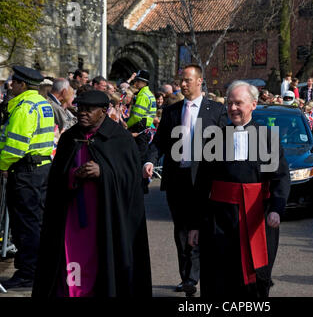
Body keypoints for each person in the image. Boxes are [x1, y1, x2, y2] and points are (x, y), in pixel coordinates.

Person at [32, 90, 152, 297]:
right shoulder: (70, 138)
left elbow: (131, 181)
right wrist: (72, 174)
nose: (82, 113)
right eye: (80, 109)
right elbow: (55, 178)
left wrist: (103, 172)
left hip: (105, 219)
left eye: (89, 109)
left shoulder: (120, 138)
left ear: (103, 111)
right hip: (72, 220)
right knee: (70, 265)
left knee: (102, 267)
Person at [188, 80, 290, 297]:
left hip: (256, 218)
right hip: (219, 221)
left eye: (239, 103)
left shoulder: (268, 139)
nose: (233, 108)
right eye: (229, 103)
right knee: (219, 279)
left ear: (253, 105)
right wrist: (194, 224)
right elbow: (201, 184)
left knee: (255, 279)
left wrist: (276, 209)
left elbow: (281, 178)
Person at [143, 64, 228, 296]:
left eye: (187, 80)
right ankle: (186, 277)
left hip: (204, 180)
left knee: (202, 228)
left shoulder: (216, 111)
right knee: (181, 231)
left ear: (199, 81)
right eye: (181, 80)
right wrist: (149, 161)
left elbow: (225, 144)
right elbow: (158, 142)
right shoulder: (173, 111)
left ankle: (198, 274)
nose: (182, 84)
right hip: (177, 180)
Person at [0, 66, 55, 289]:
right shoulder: (42, 103)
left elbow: (15, 146)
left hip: (26, 172)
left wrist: (2, 164)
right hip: (40, 169)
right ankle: (37, 269)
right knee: (36, 221)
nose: (11, 85)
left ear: (23, 85)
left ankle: (27, 273)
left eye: (14, 82)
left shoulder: (24, 107)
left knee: (26, 224)